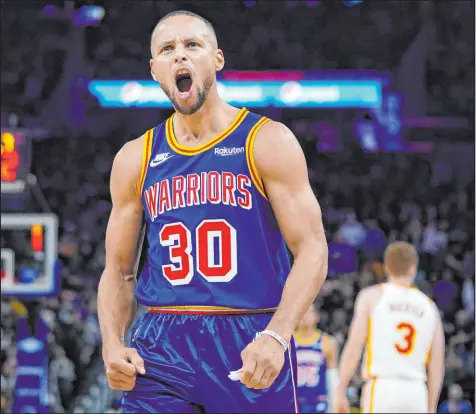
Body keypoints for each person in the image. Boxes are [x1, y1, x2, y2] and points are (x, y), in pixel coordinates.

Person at [97, 9, 328, 414]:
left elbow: (312, 249)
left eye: (192, 45)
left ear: (217, 59)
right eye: (167, 49)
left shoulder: (266, 141)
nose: (180, 56)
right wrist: (113, 342)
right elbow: (118, 271)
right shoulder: (136, 158)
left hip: (249, 336)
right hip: (162, 345)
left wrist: (278, 334)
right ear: (155, 69)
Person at [335, 241, 445, 413]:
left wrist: (340, 390)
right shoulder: (430, 306)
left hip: (382, 388)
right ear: (413, 267)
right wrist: (431, 407)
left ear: (386, 267)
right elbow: (437, 365)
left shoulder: (372, 296)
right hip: (416, 391)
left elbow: (354, 346)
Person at [295, 304, 339, 413]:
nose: (304, 316)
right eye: (301, 312)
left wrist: (336, 403)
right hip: (294, 401)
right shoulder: (287, 342)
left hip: (319, 402)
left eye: (308, 312)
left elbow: (332, 376)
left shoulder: (327, 342)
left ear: (316, 317)